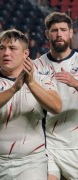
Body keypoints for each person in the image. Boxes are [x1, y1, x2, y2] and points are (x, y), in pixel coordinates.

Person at [0, 29, 62, 180]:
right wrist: (14, 89)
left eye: (12, 48)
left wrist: (31, 83)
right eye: (2, 48)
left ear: (26, 54)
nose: (6, 53)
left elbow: (56, 107)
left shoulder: (43, 80)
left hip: (32, 163)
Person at [34, 12, 78, 180]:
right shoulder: (35, 66)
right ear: (47, 34)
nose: (59, 34)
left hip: (75, 145)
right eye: (54, 30)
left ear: (71, 32)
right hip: (48, 144)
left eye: (63, 30)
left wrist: (75, 83)